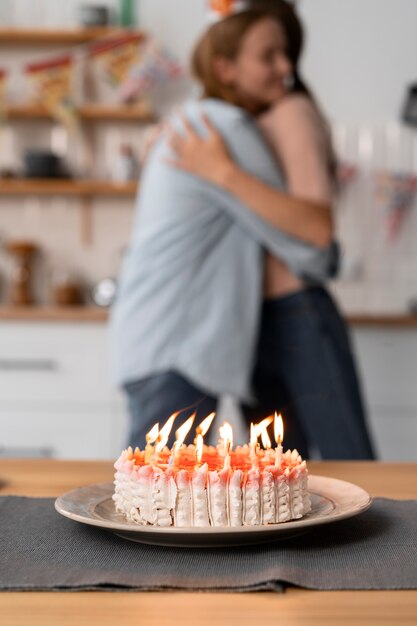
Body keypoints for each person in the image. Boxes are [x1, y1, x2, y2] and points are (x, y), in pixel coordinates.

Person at [110, 3, 375, 459]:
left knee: (245, 490)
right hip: (183, 346)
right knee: (161, 502)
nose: (285, 68)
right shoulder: (225, 127)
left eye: (285, 53)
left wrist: (221, 171)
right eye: (268, 56)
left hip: (164, 339)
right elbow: (316, 248)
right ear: (225, 69)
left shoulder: (192, 122)